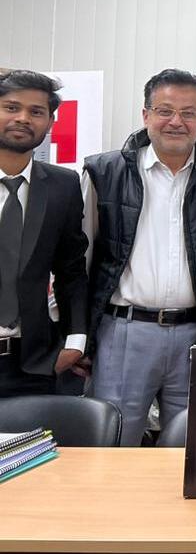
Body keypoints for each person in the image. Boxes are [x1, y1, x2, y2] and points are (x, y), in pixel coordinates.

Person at [82, 69, 196, 444]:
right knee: (115, 443)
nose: (176, 122)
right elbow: (80, 262)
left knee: (193, 448)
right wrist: (78, 337)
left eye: (189, 112)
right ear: (145, 114)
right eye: (165, 110)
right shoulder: (103, 172)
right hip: (125, 332)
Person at [0, 70, 89, 397]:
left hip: (33, 364)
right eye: (11, 107)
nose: (23, 118)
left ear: (50, 121)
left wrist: (76, 342)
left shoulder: (63, 186)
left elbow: (71, 270)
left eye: (36, 111)